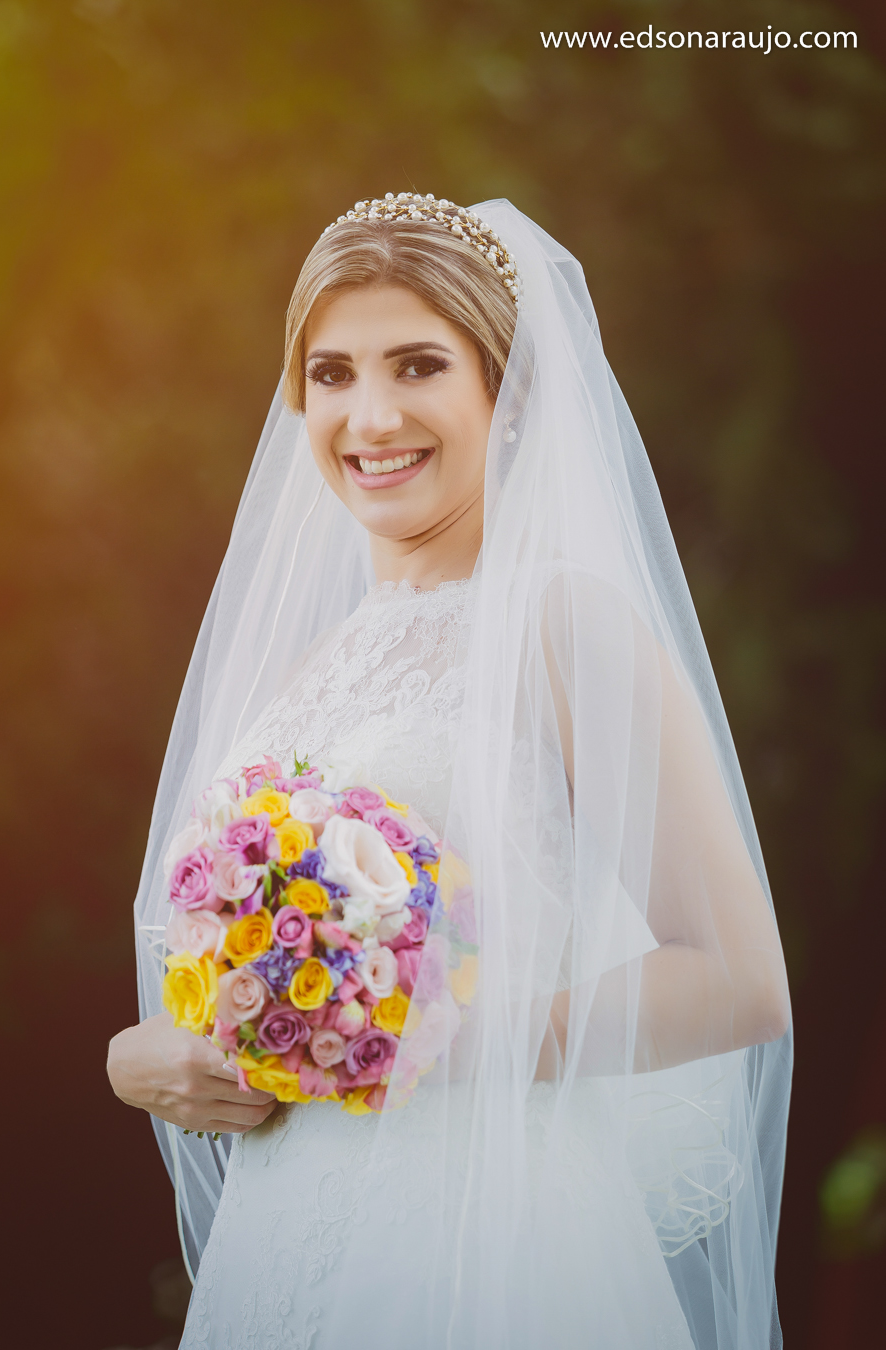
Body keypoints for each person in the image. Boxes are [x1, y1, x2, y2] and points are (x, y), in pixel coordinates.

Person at [107, 194, 792, 1349]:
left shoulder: (567, 626)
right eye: (331, 374)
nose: (369, 416)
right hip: (285, 1236)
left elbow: (739, 979)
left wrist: (428, 1043)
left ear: (506, 392)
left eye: (418, 364)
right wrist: (157, 1056)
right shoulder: (307, 659)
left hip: (492, 1238)